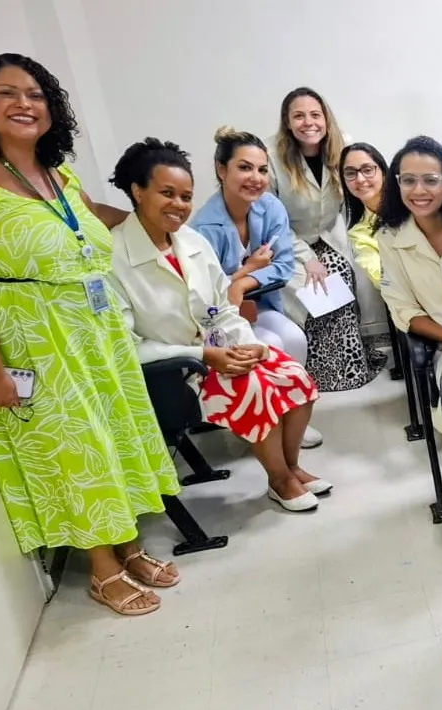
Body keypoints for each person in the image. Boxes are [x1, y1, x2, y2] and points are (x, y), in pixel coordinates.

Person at [0, 54, 178, 616]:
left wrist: (160, 217)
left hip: (95, 333)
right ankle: (103, 569)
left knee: (115, 436)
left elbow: (90, 219)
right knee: (74, 450)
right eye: (6, 93)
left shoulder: (57, 175)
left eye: (36, 94)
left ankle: (129, 543)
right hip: (32, 339)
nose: (24, 104)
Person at [107, 139, 326, 513]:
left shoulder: (190, 241)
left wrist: (246, 343)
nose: (179, 205)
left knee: (295, 377)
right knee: (255, 386)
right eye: (167, 193)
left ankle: (290, 469)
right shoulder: (114, 257)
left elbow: (222, 305)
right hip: (175, 372)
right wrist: (204, 354)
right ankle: (278, 479)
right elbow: (127, 345)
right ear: (138, 191)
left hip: (218, 350)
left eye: (186, 196)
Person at [190, 128, 325, 447]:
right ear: (221, 170)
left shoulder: (271, 207)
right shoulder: (203, 228)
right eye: (244, 167)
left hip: (259, 304)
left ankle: (293, 418)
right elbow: (207, 292)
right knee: (270, 342)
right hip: (218, 316)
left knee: (295, 338)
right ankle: (267, 425)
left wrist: (243, 282)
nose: (256, 178)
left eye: (262, 169)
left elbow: (284, 264)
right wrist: (247, 270)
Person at [271, 87, 381, 392]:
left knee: (341, 272)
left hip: (329, 236)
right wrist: (307, 259)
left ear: (326, 118)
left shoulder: (342, 146)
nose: (309, 123)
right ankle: (323, 372)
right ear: (287, 122)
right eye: (299, 116)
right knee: (318, 285)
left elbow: (358, 191)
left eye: (315, 115)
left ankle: (350, 366)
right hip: (288, 244)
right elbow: (271, 221)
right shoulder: (271, 158)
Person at [374, 135, 442, 386]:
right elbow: (404, 309)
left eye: (431, 180)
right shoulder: (389, 238)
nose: (419, 190)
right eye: (408, 180)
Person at [340, 142, 388, 287]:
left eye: (367, 170)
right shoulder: (358, 233)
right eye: (350, 173)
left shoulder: (412, 205)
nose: (360, 179)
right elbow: (381, 279)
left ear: (383, 172)